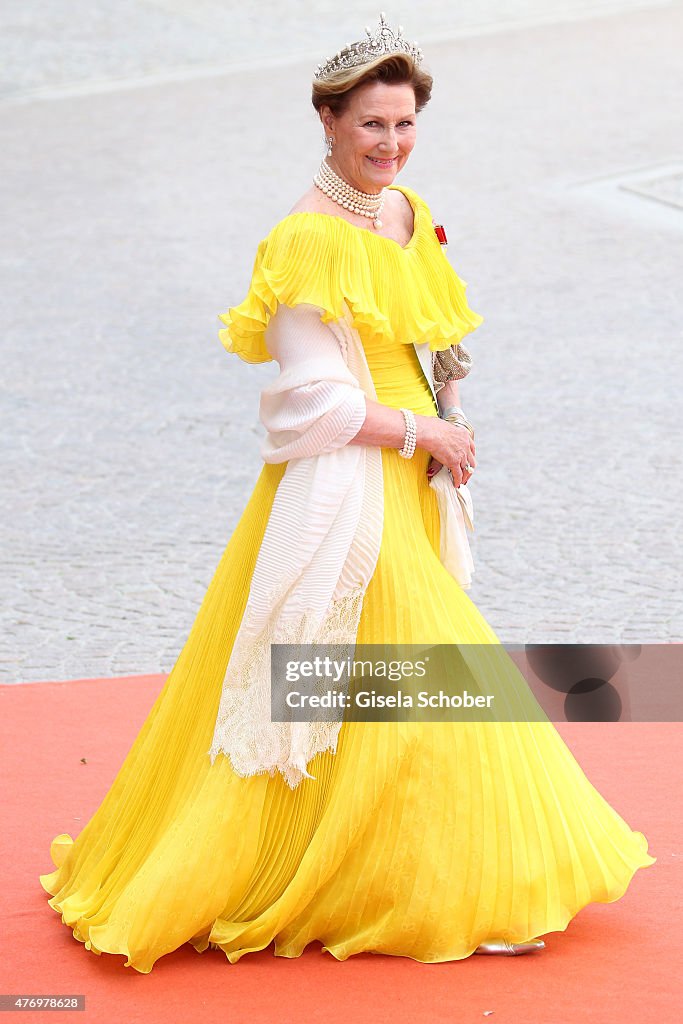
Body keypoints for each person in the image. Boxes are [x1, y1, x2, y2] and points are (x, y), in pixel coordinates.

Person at [39, 14, 656, 974]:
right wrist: (424, 430)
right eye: (371, 124)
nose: (390, 144)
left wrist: (450, 410)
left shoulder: (406, 211)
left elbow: (440, 328)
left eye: (404, 124)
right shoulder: (302, 241)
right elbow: (311, 407)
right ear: (327, 120)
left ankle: (388, 862)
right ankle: (450, 880)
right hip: (348, 486)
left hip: (412, 474)